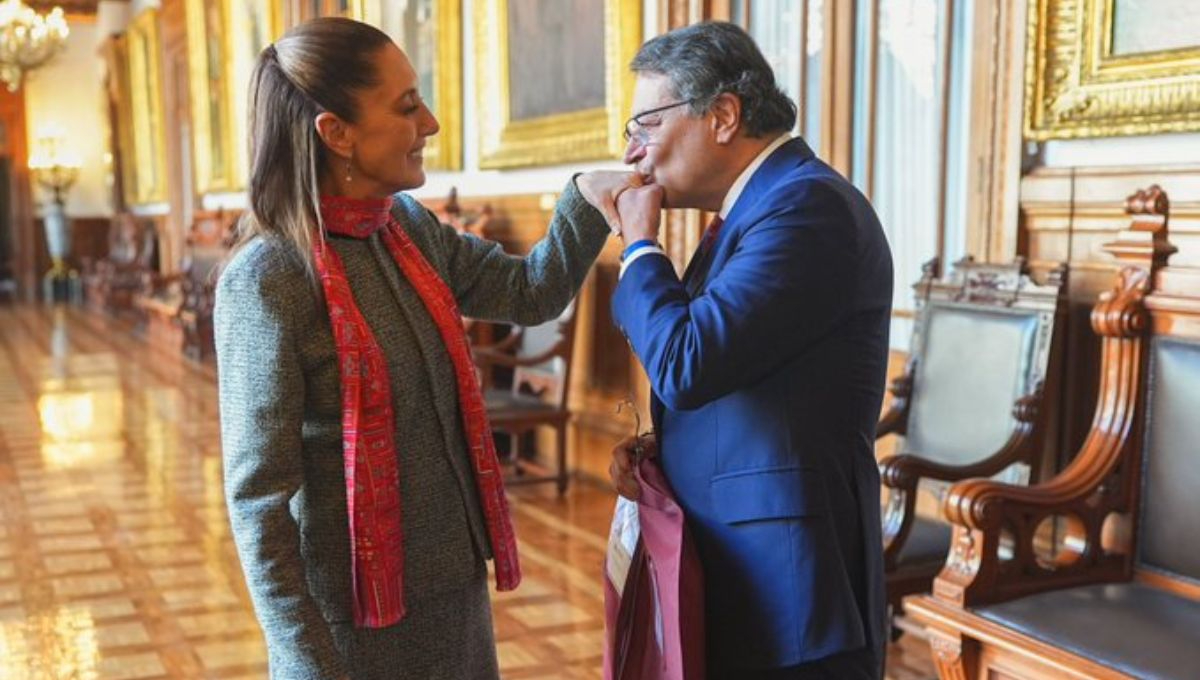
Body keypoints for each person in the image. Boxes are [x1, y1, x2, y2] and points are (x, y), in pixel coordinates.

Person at [214, 18, 630, 680]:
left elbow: (530, 293)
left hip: (452, 597)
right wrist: (305, 658)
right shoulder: (269, 280)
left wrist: (584, 197)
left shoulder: (405, 228)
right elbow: (258, 503)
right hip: (346, 627)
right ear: (336, 132)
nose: (430, 122)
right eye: (407, 105)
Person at [606, 22, 894, 679]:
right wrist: (663, 455)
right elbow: (742, 368)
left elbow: (686, 361)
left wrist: (639, 243)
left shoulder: (805, 207)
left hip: (790, 580)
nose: (632, 154)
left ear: (725, 115)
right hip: (737, 554)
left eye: (645, 124)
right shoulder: (755, 209)